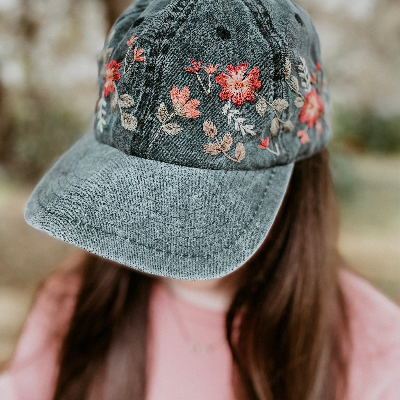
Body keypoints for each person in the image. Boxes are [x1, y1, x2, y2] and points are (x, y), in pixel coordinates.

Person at [1, 0, 400, 399]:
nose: (155, 227)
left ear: (299, 176)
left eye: (190, 204)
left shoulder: (376, 350)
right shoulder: (74, 305)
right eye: (132, 193)